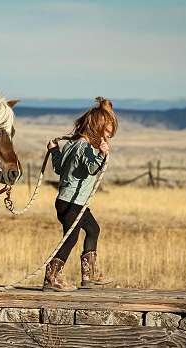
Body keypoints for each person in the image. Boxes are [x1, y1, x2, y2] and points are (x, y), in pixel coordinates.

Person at [43, 97, 118, 291]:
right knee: (71, 239)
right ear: (97, 127)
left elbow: (59, 169)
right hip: (73, 203)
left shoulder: (70, 145)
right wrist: (102, 154)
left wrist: (54, 152)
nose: (109, 137)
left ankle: (89, 275)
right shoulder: (85, 148)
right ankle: (52, 278)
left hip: (69, 201)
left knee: (93, 229)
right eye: (108, 132)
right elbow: (93, 168)